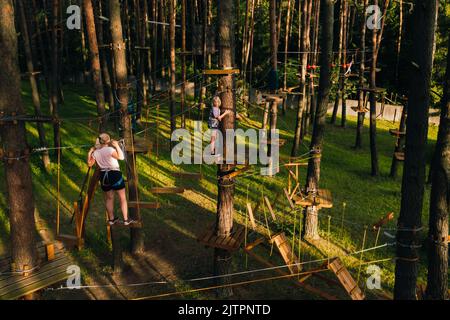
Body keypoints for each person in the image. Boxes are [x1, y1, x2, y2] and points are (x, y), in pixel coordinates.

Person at [87, 133, 135, 226]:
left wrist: (89, 152)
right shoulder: (110, 150)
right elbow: (121, 157)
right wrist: (117, 146)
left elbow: (89, 164)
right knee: (122, 198)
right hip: (114, 174)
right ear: (108, 141)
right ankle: (126, 220)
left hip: (103, 176)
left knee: (109, 198)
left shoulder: (96, 152)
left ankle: (111, 219)